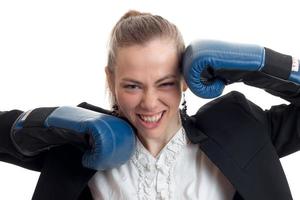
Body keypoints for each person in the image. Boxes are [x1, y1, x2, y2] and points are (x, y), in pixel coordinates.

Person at [0, 10, 299, 200]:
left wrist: (256, 66)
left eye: (165, 82)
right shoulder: (81, 145)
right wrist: (46, 123)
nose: (149, 102)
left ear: (184, 79)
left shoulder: (239, 130)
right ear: (111, 79)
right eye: (132, 86)